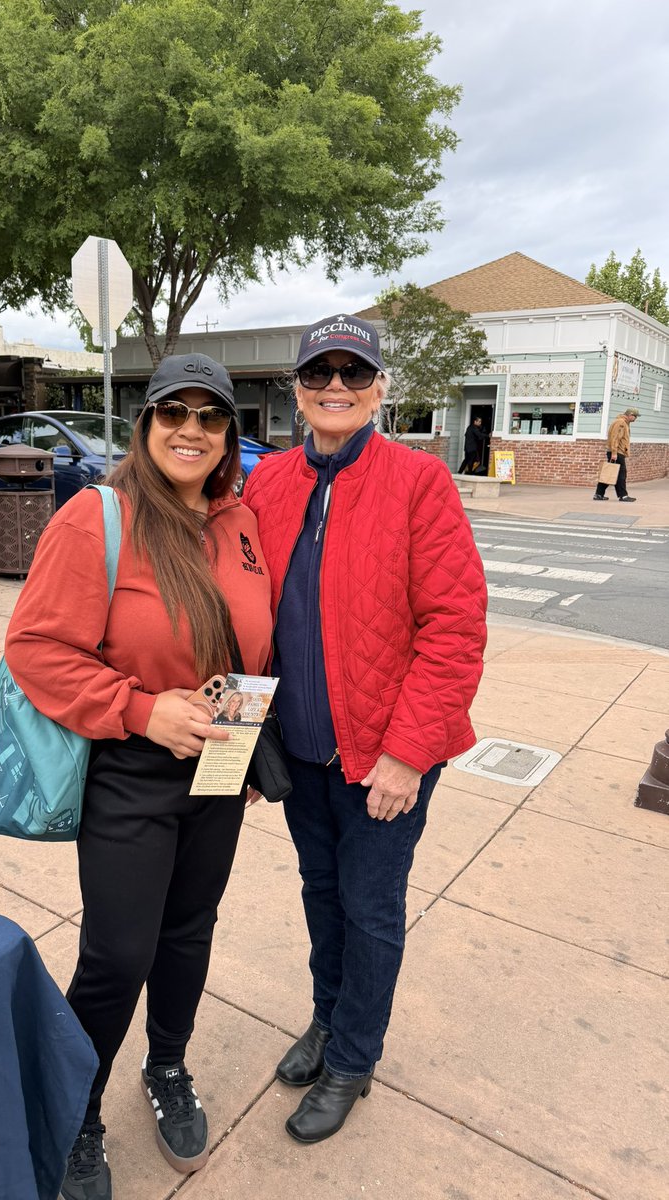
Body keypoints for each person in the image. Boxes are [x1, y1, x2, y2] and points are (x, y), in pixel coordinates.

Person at [4, 353, 272, 1200]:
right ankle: (74, 1111)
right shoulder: (99, 518)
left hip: (219, 763)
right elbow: (35, 648)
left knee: (189, 929)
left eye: (210, 415)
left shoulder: (240, 521)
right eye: (174, 412)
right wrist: (139, 708)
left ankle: (167, 1067)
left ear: (229, 433)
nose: (192, 429)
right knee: (119, 953)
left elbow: (252, 642)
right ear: (146, 423)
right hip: (130, 768)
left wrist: (247, 740)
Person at [243, 313, 487, 1145]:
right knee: (321, 894)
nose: (336, 387)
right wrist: (246, 739)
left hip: (384, 757)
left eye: (354, 372)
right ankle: (327, 1018)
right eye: (320, 373)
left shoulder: (419, 481)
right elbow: (244, 615)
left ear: (380, 388)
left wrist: (408, 755)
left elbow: (455, 629)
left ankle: (353, 1057)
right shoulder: (269, 484)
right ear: (298, 390)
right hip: (303, 748)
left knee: (370, 907)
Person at [593, 407, 639, 501]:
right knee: (621, 475)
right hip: (617, 452)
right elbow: (615, 438)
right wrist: (614, 453)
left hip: (617, 452)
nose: (636, 419)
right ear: (630, 415)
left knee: (610, 472)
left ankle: (599, 494)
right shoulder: (621, 423)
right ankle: (623, 496)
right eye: (635, 416)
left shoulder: (623, 422)